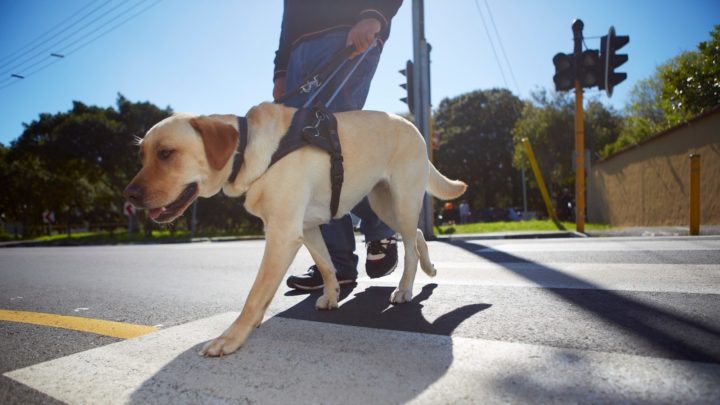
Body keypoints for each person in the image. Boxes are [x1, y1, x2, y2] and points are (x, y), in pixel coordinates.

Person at [273, 0, 404, 290]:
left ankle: (381, 226)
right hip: (299, 53)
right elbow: (290, 11)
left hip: (346, 32)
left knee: (336, 146)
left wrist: (375, 14)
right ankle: (335, 263)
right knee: (308, 156)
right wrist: (281, 69)